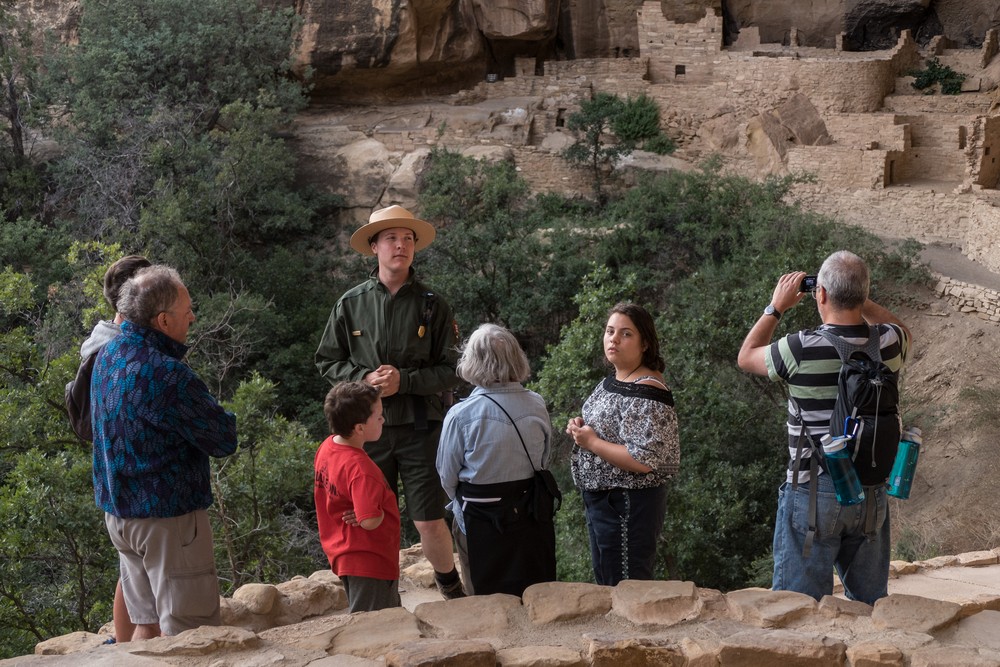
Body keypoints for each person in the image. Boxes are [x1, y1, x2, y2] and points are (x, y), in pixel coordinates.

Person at [736, 250, 911, 604]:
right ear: (863, 295)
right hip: (872, 490)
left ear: (821, 295)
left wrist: (776, 307)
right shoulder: (890, 343)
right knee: (871, 605)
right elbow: (903, 327)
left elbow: (746, 355)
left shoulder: (800, 348)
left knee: (795, 608)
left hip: (814, 490)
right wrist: (859, 297)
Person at [315, 205, 465, 599]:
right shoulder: (351, 304)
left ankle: (449, 586)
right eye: (392, 238)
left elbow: (454, 368)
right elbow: (326, 361)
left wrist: (406, 382)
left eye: (408, 238)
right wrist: (363, 381)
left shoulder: (433, 305)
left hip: (421, 428)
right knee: (368, 517)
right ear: (374, 247)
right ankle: (376, 594)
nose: (401, 245)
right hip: (364, 433)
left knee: (429, 519)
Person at [91, 265, 238, 638]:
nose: (193, 316)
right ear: (162, 321)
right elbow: (223, 438)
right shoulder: (165, 373)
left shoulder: (107, 355)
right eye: (186, 310)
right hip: (166, 521)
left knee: (148, 624)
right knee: (190, 635)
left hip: (120, 513)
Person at [65, 254, 151, 644]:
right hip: (134, 471)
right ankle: (130, 641)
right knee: (139, 569)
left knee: (132, 566)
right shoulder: (120, 349)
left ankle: (121, 642)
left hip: (111, 471)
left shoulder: (98, 340)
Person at [436, 323, 556, 596]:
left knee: (483, 591)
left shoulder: (460, 415)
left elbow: (447, 476)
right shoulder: (536, 404)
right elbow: (543, 459)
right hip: (529, 515)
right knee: (534, 587)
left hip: (480, 521)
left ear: (472, 362)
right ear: (516, 357)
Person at [566, 303, 680, 586]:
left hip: (628, 504)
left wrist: (591, 442)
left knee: (627, 584)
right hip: (606, 502)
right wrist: (580, 426)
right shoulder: (617, 378)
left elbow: (643, 460)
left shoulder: (647, 391)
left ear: (645, 344)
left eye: (625, 334)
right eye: (610, 331)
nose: (613, 339)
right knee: (608, 581)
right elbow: (608, 426)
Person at [315, 381, 402, 612]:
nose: (383, 420)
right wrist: (381, 510)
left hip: (344, 551)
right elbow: (369, 520)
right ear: (360, 428)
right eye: (379, 416)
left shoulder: (327, 447)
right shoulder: (362, 470)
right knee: (377, 626)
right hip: (369, 559)